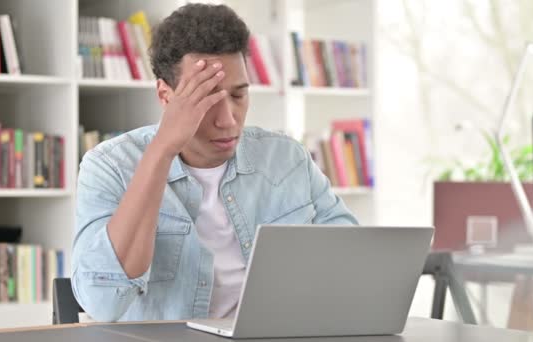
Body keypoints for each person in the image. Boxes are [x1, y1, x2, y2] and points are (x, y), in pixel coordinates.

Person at [72, 3, 357, 322]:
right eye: (206, 99)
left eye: (238, 96)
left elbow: (350, 263)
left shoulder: (286, 159)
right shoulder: (109, 166)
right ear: (166, 97)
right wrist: (162, 151)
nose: (227, 120)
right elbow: (102, 303)